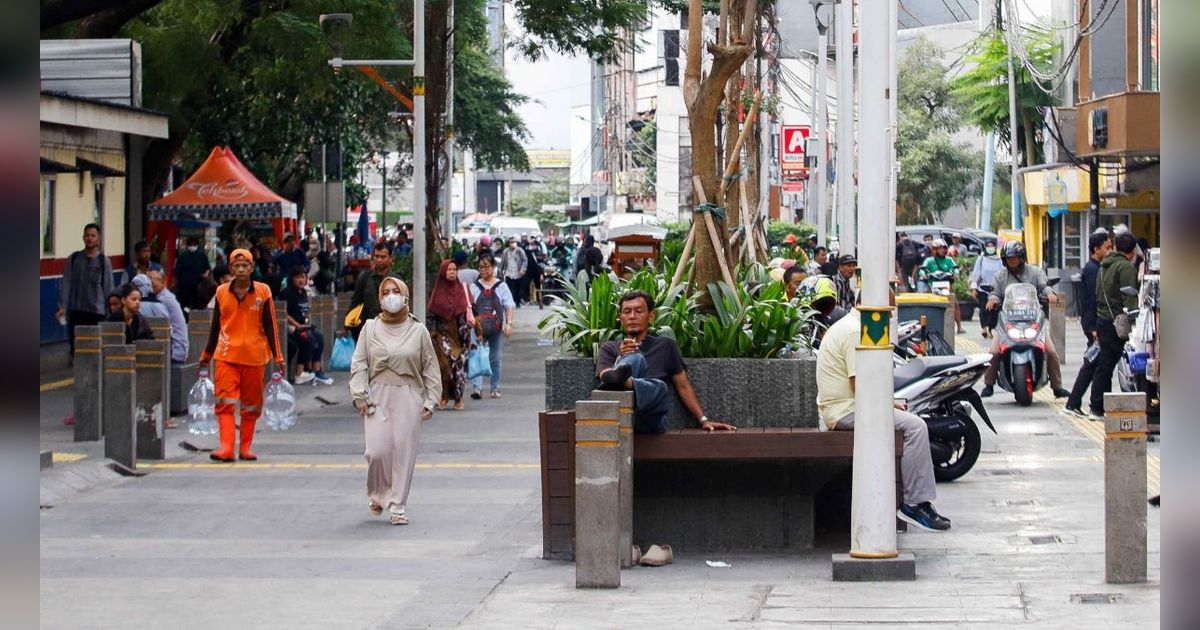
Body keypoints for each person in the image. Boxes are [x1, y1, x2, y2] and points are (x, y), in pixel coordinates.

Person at [816, 295, 951, 531]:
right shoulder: (854, 332)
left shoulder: (852, 326)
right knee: (916, 427)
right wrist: (885, 406)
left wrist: (887, 404)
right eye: (888, 310)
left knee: (908, 419)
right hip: (845, 411)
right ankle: (914, 503)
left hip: (847, 407)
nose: (890, 316)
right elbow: (859, 383)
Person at [349, 277, 441, 525]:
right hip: (376, 396)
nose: (391, 296)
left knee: (403, 451)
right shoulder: (369, 328)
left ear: (405, 296)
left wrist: (431, 400)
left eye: (396, 291)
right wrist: (359, 395)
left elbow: (430, 366)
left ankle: (398, 505)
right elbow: (359, 364)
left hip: (408, 396)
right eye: (386, 292)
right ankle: (378, 494)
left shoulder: (417, 330)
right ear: (380, 299)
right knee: (376, 451)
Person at [596, 291, 737, 434]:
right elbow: (604, 375)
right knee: (634, 360)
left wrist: (704, 420)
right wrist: (621, 357)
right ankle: (622, 377)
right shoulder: (610, 348)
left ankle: (625, 382)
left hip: (648, 417)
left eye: (639, 311)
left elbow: (683, 386)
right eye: (627, 312)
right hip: (619, 414)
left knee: (659, 388)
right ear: (620, 318)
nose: (632, 316)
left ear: (651, 317)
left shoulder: (665, 346)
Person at [198, 249, 285, 463]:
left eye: (245, 266)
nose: (241, 270)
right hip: (226, 355)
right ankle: (226, 447)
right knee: (225, 402)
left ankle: (245, 447)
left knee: (251, 405)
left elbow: (271, 325)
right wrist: (206, 354)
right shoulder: (220, 292)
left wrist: (278, 357)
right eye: (236, 266)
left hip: (255, 357)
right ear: (231, 269)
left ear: (252, 267)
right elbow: (215, 325)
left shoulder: (263, 292)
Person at [979, 242, 1069, 399]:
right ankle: (989, 384)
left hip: (1033, 319)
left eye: (1014, 258)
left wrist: (1050, 294)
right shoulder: (1000, 276)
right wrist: (992, 300)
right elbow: (994, 292)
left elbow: (1044, 285)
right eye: (1008, 258)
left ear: (1021, 257)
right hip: (1008, 321)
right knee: (993, 352)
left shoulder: (1035, 272)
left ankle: (1057, 387)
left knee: (1051, 351)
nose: (1011, 261)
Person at [1088, 232, 1140, 418]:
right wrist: (1135, 323)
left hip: (1103, 320)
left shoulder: (1104, 266)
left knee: (1105, 365)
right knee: (1107, 365)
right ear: (1133, 251)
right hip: (1115, 323)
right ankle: (1098, 406)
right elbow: (1131, 297)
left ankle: (1099, 405)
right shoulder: (1125, 268)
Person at [1065, 231, 1113, 418]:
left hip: (1093, 324)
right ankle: (1086, 405)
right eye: (1107, 248)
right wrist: (1093, 328)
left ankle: (1076, 402)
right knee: (1093, 364)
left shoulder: (1096, 267)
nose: (1110, 251)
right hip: (1094, 325)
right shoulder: (1093, 270)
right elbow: (1093, 300)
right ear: (1096, 249)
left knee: (1093, 364)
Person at [57, 223, 114, 358]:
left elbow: (108, 287)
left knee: (94, 348)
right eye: (87, 235)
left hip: (96, 312)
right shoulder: (74, 259)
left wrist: (110, 311)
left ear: (98, 239)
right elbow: (66, 283)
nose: (89, 238)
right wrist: (62, 306)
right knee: (76, 347)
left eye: (93, 236)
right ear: (83, 238)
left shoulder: (103, 261)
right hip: (77, 310)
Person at [427, 260, 473, 411]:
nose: (452, 272)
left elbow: (473, 309)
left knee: (459, 368)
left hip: (461, 335)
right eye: (449, 270)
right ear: (443, 272)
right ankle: (445, 394)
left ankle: (458, 398)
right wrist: (432, 334)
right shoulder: (437, 292)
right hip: (443, 335)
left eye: (454, 269)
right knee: (445, 366)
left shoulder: (462, 290)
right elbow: (431, 315)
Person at [469, 253, 515, 399]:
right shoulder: (474, 287)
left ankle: (494, 388)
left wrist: (509, 324)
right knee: (476, 355)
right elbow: (469, 307)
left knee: (495, 358)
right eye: (481, 267)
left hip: (496, 328)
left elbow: (509, 306)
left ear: (493, 267)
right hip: (477, 327)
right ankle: (477, 389)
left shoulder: (501, 286)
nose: (483, 270)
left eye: (487, 266)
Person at [281, 268, 333, 386]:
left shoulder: (303, 292)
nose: (301, 280)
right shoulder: (287, 293)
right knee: (308, 340)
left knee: (319, 337)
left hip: (303, 325)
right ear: (292, 278)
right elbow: (284, 312)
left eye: (303, 277)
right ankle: (300, 374)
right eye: (298, 277)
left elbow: (305, 310)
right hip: (291, 327)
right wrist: (297, 325)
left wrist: (306, 323)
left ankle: (317, 370)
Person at [348, 242, 397, 341]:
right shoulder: (364, 277)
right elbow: (355, 302)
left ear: (391, 258)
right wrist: (347, 326)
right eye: (376, 256)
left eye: (383, 257)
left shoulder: (396, 280)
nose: (379, 260)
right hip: (368, 329)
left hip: (390, 330)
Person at [919, 239, 965, 333]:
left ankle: (959, 326)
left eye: (944, 248)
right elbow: (922, 269)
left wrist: (956, 274)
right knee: (925, 303)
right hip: (932, 286)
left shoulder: (949, 260)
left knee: (955, 304)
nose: (942, 251)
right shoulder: (929, 260)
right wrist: (923, 274)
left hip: (947, 285)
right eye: (940, 249)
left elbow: (955, 268)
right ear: (934, 249)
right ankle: (923, 325)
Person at [146, 270, 189, 364]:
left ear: (162, 282)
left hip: (175, 350)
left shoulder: (164, 300)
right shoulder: (164, 297)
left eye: (152, 282)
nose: (149, 285)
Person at [797, 276, 847, 347]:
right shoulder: (796, 323)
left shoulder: (826, 324)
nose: (823, 307)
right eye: (821, 304)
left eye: (826, 304)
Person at [969, 239, 1004, 338]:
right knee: (984, 309)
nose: (990, 247)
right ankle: (984, 327)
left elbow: (1002, 274)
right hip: (983, 288)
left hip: (995, 289)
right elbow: (976, 274)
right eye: (988, 245)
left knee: (994, 310)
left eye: (992, 245)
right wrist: (974, 288)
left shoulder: (999, 260)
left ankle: (992, 328)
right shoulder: (981, 259)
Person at [173, 236, 211, 310]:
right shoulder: (183, 256)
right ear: (187, 245)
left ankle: (196, 316)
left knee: (197, 304)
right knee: (185, 305)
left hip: (198, 285)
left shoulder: (202, 255)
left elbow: (207, 268)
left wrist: (206, 275)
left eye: (194, 244)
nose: (192, 246)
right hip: (185, 286)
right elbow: (177, 271)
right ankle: (186, 317)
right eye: (191, 244)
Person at [499, 237, 527, 306]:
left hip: (518, 272)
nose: (513, 243)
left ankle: (517, 302)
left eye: (514, 242)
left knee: (518, 288)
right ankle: (511, 302)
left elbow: (524, 260)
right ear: (509, 244)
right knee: (509, 288)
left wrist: (522, 270)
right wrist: (501, 271)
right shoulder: (506, 251)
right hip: (509, 272)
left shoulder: (520, 251)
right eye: (511, 242)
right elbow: (502, 262)